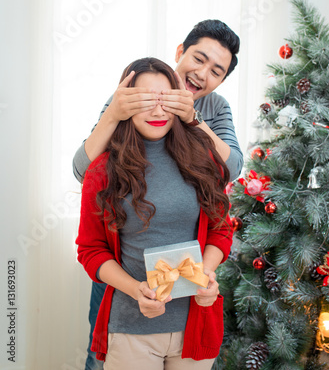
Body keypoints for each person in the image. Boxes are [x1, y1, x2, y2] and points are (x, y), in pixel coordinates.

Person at [73, 19, 243, 370]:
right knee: (98, 352)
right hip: (125, 282)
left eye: (216, 71)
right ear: (181, 52)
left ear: (222, 80)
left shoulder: (214, 109)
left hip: (188, 311)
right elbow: (83, 170)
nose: (202, 73)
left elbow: (230, 171)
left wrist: (194, 119)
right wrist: (115, 113)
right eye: (199, 59)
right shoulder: (131, 94)